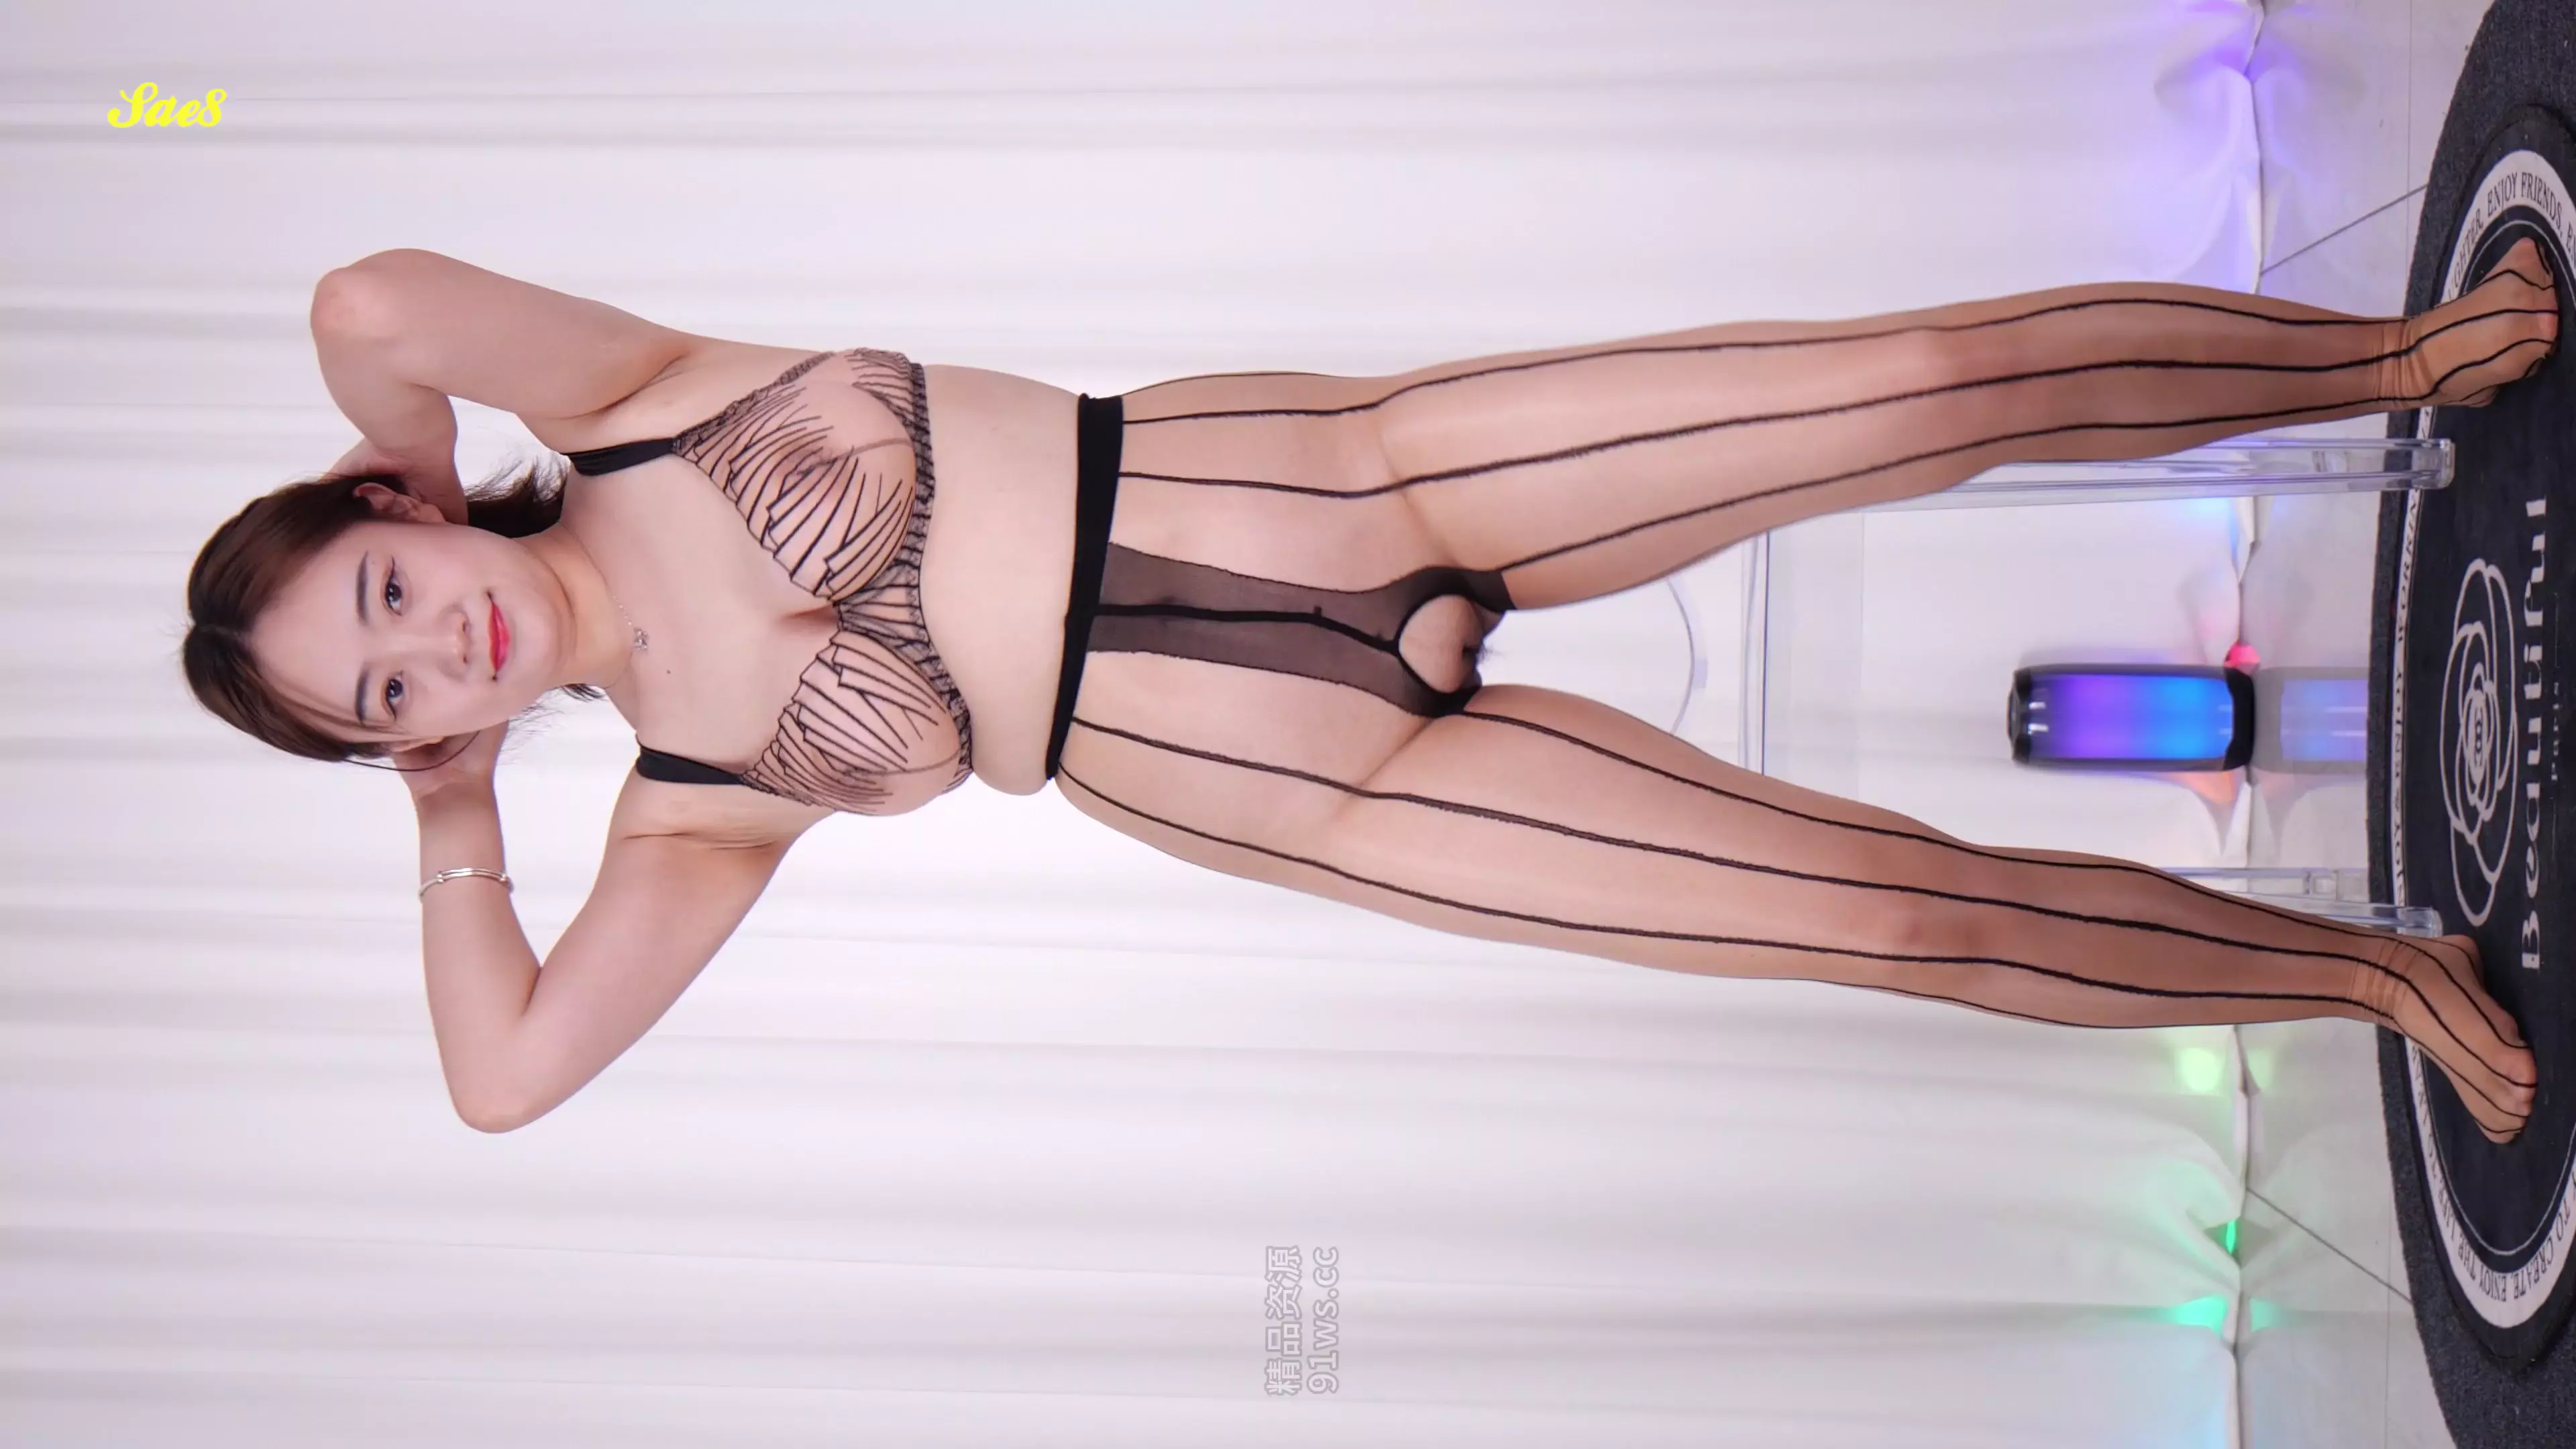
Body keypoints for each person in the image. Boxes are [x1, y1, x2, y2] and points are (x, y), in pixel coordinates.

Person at [182, 242, 2558, 1139]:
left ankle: (2396, 357)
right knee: (1895, 921)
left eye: (385, 588)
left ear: (401, 506)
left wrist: (416, 467)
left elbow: (365, 306)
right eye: (382, 695)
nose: (429, 647)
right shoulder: (694, 804)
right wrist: (449, 810)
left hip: (1362, 478)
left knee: (1920, 383)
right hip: (1307, 787)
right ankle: (2369, 977)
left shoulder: (627, 399)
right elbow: (503, 1079)